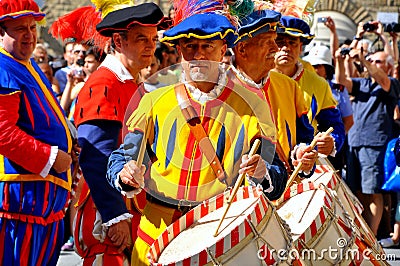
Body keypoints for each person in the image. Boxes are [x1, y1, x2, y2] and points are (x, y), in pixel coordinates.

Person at [107, 6, 288, 265]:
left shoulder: (251, 106)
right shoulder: (153, 101)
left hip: (219, 234)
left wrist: (262, 172)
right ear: (179, 51)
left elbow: (277, 177)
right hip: (156, 237)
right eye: (190, 47)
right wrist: (125, 173)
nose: (198, 54)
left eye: (208, 46)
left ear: (223, 50)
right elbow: (122, 157)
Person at [73, 2, 169, 265]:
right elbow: (96, 157)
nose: (151, 46)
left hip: (135, 207)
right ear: (118, 40)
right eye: (141, 39)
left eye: (153, 39)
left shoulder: (133, 83)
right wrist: (115, 216)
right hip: (111, 214)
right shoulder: (104, 84)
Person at [0, 0, 73, 264]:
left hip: (42, 203)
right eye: (20, 28)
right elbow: (3, 134)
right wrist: (52, 158)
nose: (29, 35)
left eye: (32, 27)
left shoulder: (24, 64)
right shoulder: (3, 68)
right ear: (0, 32)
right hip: (22, 202)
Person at [230, 7, 317, 176]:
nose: (276, 49)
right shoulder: (217, 88)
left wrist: (303, 155)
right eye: (267, 42)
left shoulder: (289, 86)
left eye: (275, 41)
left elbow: (304, 137)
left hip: (285, 195)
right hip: (232, 198)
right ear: (242, 49)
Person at [336, 48, 400, 236]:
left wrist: (363, 59)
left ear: (388, 66)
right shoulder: (362, 83)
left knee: (373, 191)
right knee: (358, 191)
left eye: (378, 61)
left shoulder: (392, 83)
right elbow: (342, 82)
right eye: (372, 60)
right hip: (354, 143)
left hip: (375, 144)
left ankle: (370, 237)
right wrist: (340, 60)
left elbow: (383, 80)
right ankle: (363, 234)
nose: (373, 63)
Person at [274, 16, 345, 159]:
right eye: (280, 42)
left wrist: (330, 141)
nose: (286, 48)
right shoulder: (259, 78)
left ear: (301, 47)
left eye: (292, 43)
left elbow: (334, 124)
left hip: (305, 164)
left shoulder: (318, 84)